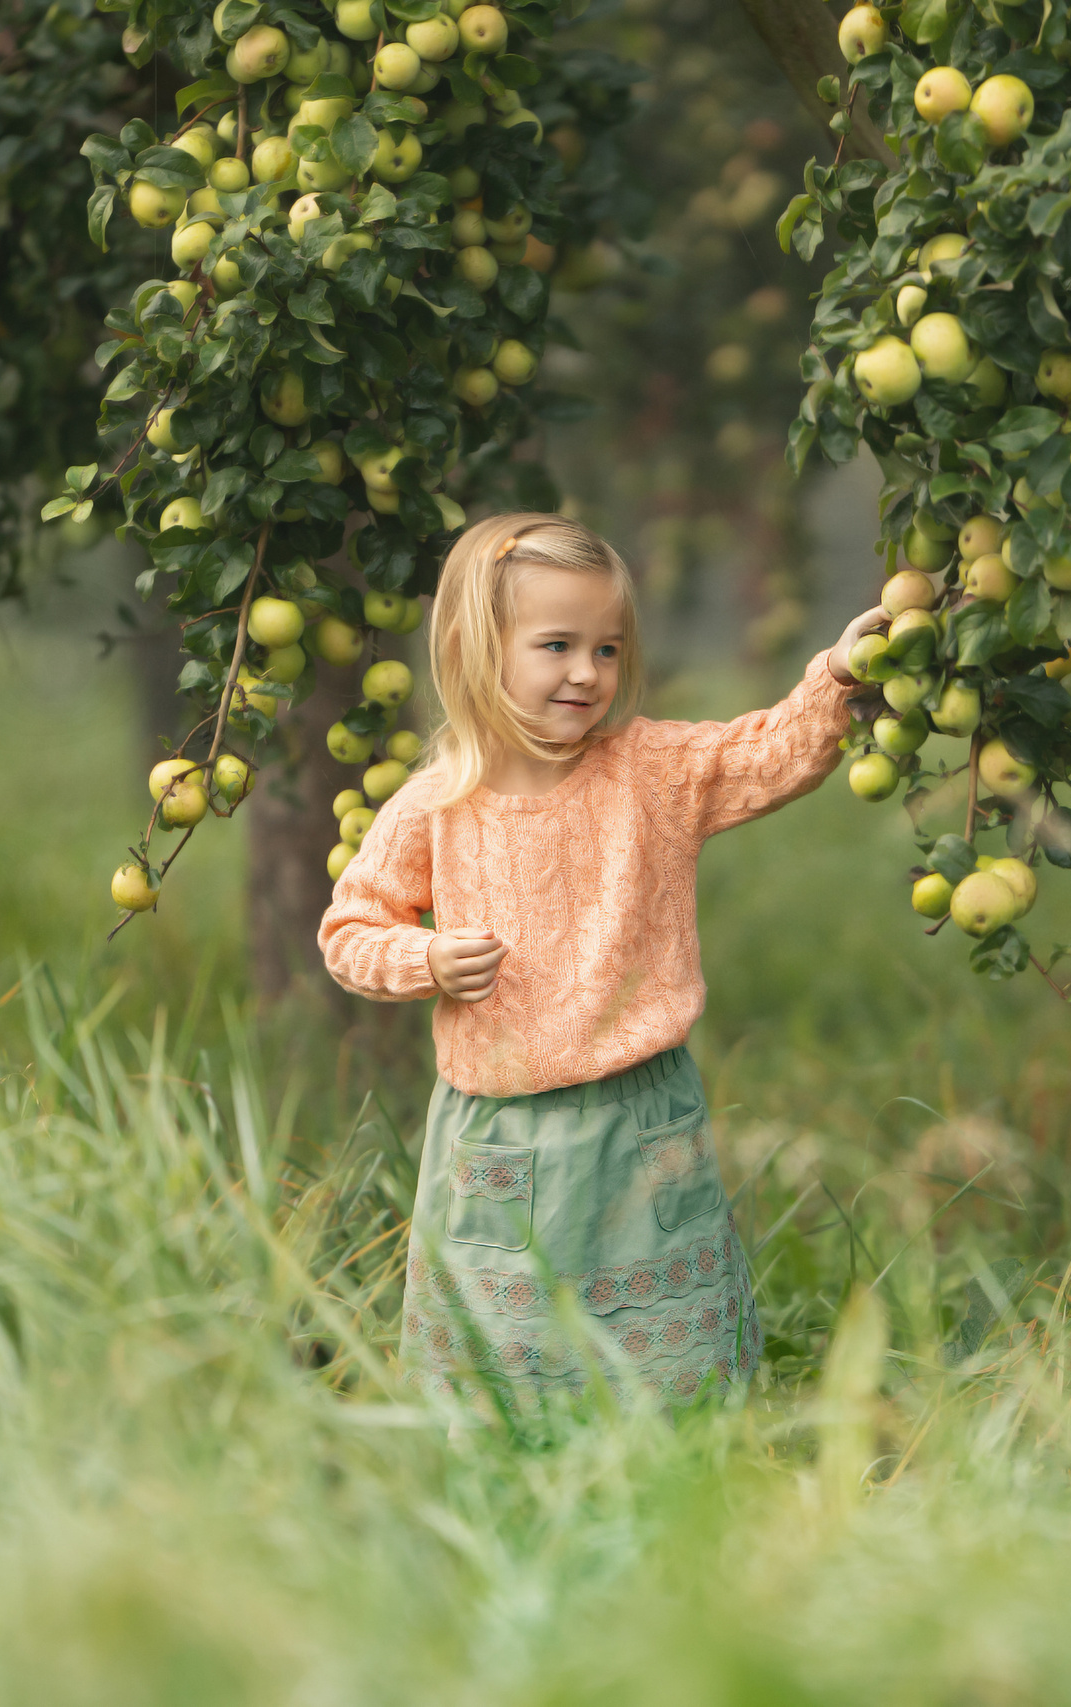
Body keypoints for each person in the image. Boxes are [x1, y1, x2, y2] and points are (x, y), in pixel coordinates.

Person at [319, 512, 884, 1414]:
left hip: (641, 1110)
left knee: (660, 1348)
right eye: (557, 645)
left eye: (607, 648)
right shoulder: (436, 805)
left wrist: (839, 673)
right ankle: (508, 1464)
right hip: (503, 1134)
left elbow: (768, 752)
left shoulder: (650, 771)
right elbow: (350, 930)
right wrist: (425, 956)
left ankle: (673, 1465)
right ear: (475, 649)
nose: (587, 671)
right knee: (505, 1354)